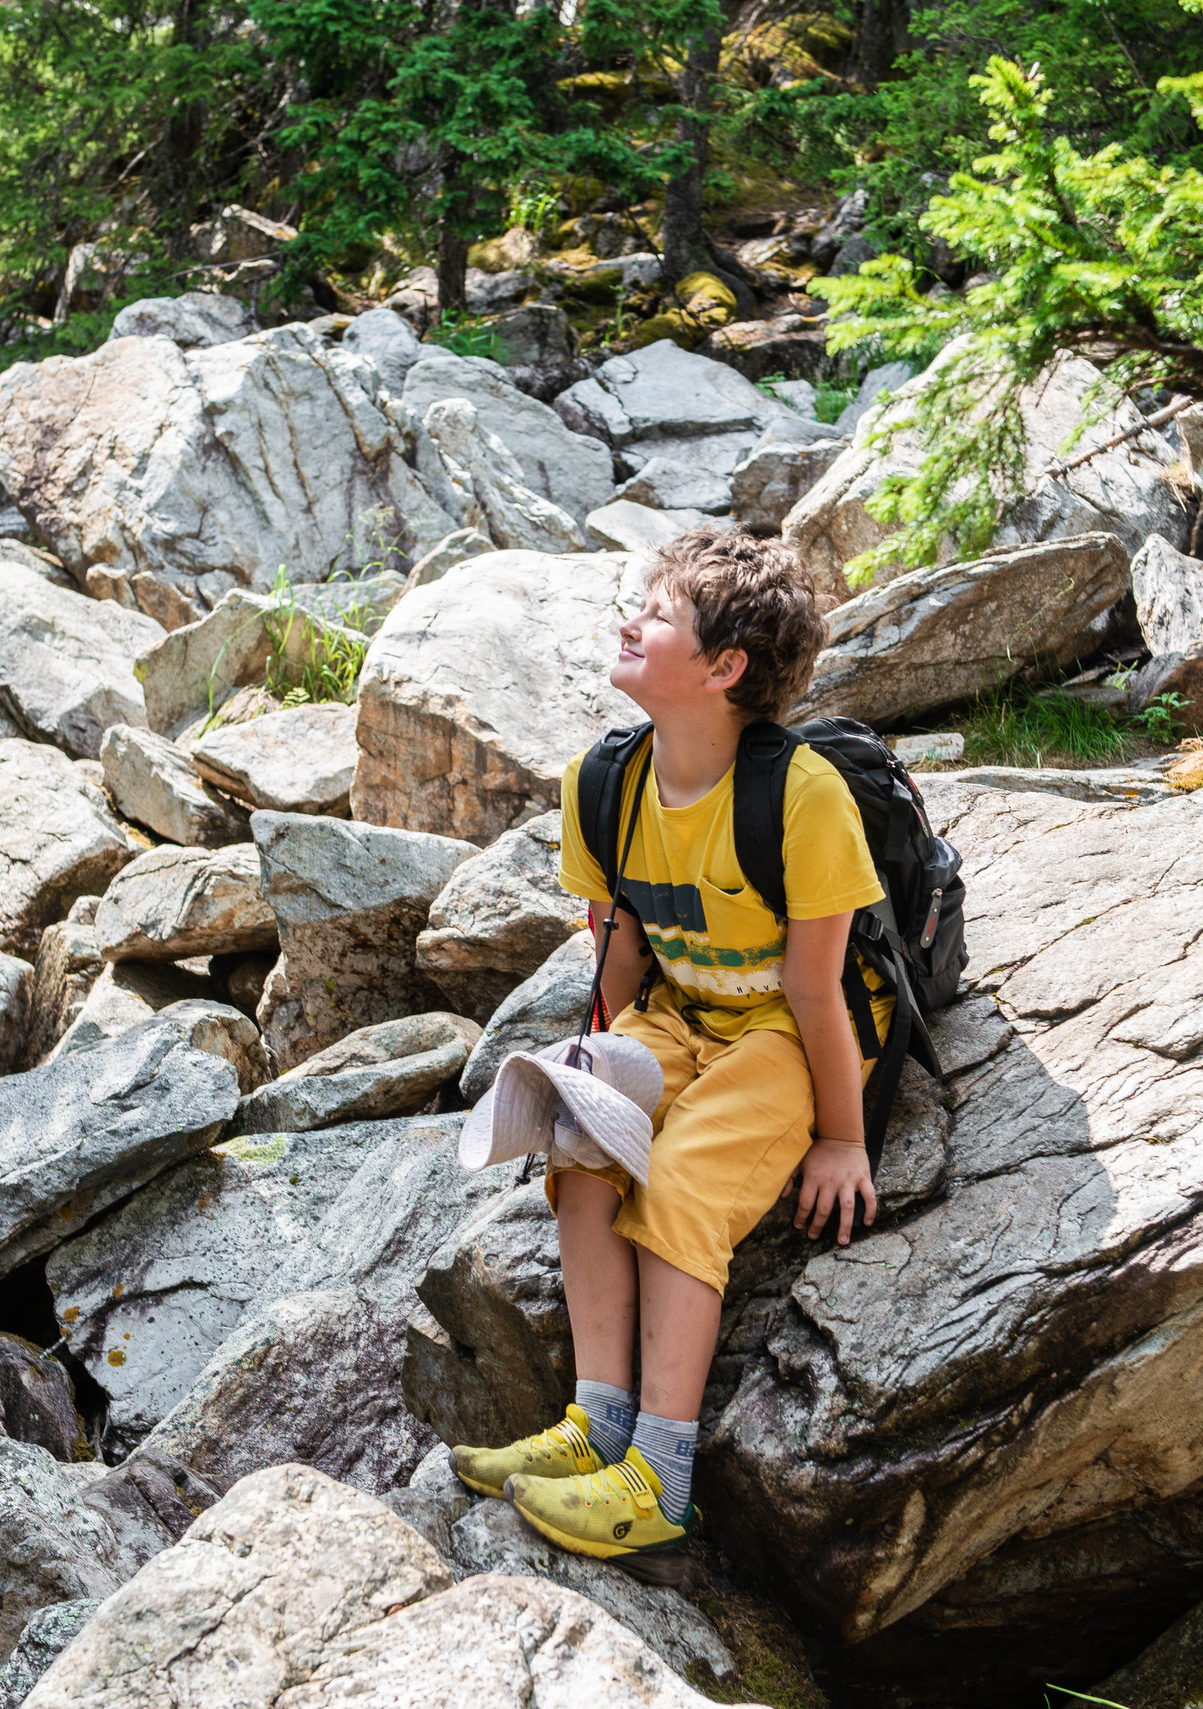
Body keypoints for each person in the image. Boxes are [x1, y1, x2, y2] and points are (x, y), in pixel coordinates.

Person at [447, 529, 894, 1581]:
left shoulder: (802, 797)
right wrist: (594, 1070)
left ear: (724, 667)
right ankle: (595, 1425)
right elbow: (620, 951)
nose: (629, 620)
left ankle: (658, 1480)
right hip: (678, 1008)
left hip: (787, 1029)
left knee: (684, 1180)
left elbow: (815, 988)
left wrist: (841, 1138)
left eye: (656, 613)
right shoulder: (604, 783)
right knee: (584, 1138)